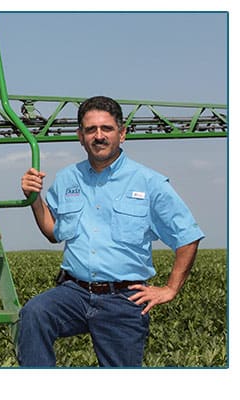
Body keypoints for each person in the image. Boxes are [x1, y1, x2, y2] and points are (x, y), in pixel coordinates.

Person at [17, 95, 204, 367]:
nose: (99, 136)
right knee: (35, 313)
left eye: (107, 128)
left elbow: (187, 235)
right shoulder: (68, 178)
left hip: (124, 299)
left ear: (122, 133)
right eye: (90, 130)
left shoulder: (149, 182)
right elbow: (53, 231)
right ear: (80, 136)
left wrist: (170, 289)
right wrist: (34, 198)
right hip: (75, 292)